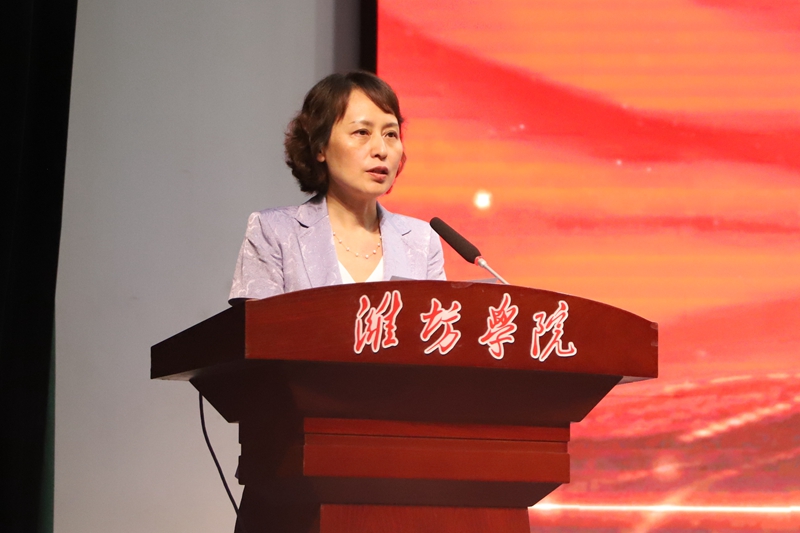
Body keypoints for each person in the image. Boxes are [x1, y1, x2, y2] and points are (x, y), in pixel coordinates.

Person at [229, 72, 445, 303]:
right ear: (320, 147)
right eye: (362, 132)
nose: (381, 150)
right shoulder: (274, 232)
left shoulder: (421, 240)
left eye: (391, 134)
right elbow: (257, 324)